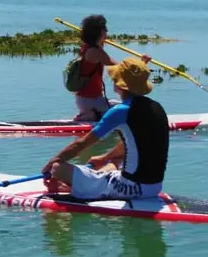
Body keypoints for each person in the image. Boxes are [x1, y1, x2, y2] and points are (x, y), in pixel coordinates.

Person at [42, 57, 169, 200]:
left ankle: (71, 188)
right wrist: (105, 157)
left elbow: (82, 144)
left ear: (117, 85)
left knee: (58, 168)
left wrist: (50, 165)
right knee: (112, 161)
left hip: (130, 188)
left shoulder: (120, 111)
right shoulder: (157, 107)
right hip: (154, 187)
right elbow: (132, 142)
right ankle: (89, 182)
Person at [73, 14, 151, 121]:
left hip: (91, 98)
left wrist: (102, 39)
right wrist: (143, 63)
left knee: (119, 105)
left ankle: (92, 114)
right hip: (90, 99)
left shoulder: (88, 46)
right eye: (104, 29)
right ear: (98, 32)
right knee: (128, 112)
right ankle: (91, 116)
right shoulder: (95, 52)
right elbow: (121, 69)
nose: (107, 31)